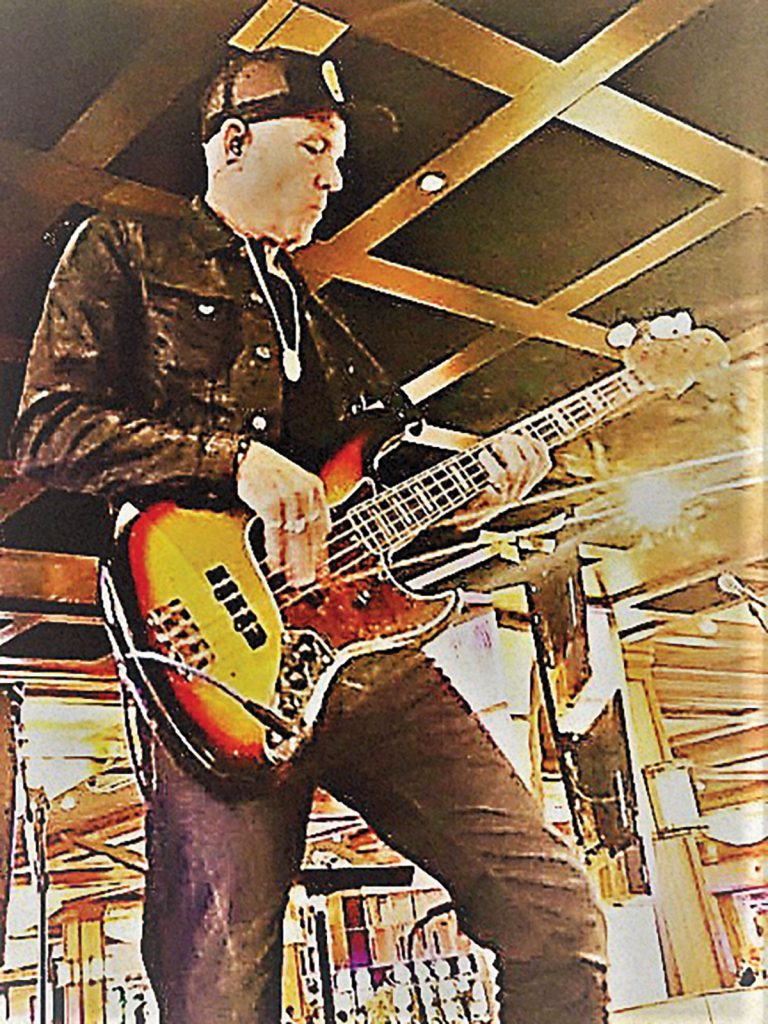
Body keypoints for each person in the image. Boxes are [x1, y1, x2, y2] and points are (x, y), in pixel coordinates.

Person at [12, 47, 607, 1023]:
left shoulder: (322, 325)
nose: (336, 175)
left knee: (556, 910)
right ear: (233, 144)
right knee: (220, 988)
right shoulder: (125, 251)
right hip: (218, 662)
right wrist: (231, 460)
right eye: (316, 147)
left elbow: (390, 486)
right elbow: (47, 430)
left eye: (339, 155)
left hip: (370, 653)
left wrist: (479, 490)